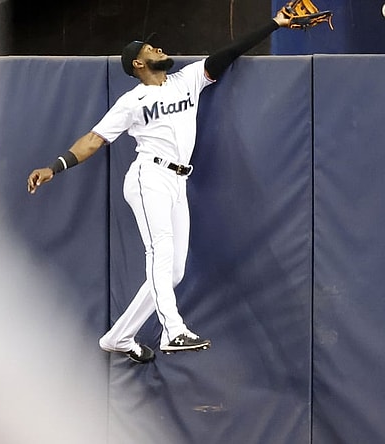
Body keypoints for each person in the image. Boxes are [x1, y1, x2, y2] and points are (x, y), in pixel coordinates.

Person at [27, 12, 293, 363]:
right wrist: (54, 166)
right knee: (160, 252)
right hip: (148, 177)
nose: (159, 47)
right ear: (138, 63)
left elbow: (227, 53)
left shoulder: (187, 80)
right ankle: (173, 330)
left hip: (177, 181)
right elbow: (94, 139)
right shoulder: (131, 102)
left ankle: (119, 337)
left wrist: (275, 23)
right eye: (151, 47)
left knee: (174, 271)